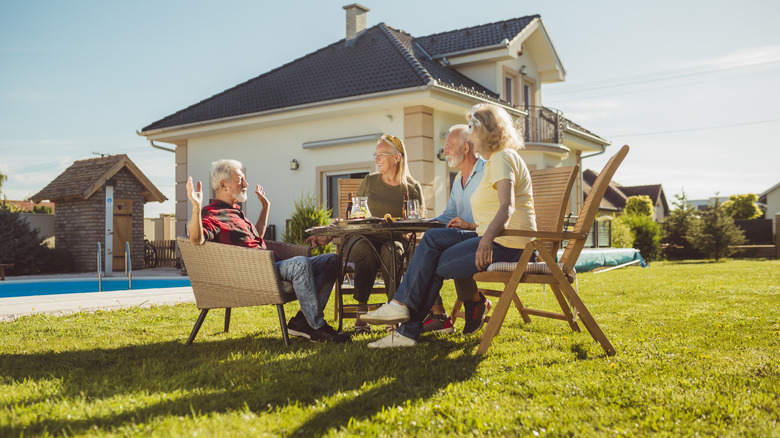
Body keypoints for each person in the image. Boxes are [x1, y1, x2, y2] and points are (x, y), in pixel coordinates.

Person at [361, 103, 537, 348]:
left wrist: (485, 240)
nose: (470, 135)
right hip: (494, 237)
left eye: (471, 128)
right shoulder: (495, 161)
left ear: (484, 131)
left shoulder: (502, 158)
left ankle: (405, 328)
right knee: (432, 241)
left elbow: (507, 207)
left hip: (510, 245)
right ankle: (400, 310)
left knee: (432, 262)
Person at [186, 159, 348, 343]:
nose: (245, 184)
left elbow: (257, 237)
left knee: (331, 261)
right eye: (240, 180)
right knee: (301, 264)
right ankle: (317, 328)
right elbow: (196, 239)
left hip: (270, 265)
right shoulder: (212, 214)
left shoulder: (236, 211)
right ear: (223, 184)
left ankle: (302, 322)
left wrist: (266, 207)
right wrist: (196, 208)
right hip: (253, 272)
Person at [337, 134, 424, 333]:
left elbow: (418, 224)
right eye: (375, 154)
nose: (376, 159)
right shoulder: (369, 181)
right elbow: (353, 214)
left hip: (394, 239)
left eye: (381, 154)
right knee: (365, 250)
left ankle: (393, 311)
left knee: (392, 251)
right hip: (363, 237)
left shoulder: (412, 188)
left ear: (397, 158)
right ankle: (361, 311)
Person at [421, 124, 486, 334]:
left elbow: (499, 216)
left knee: (446, 250)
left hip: (485, 240)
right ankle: (437, 312)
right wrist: (424, 225)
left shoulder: (488, 171)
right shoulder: (459, 179)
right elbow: (449, 215)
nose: (445, 151)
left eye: (449, 146)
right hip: (463, 238)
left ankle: (474, 301)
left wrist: (470, 225)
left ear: (465, 148)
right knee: (425, 246)